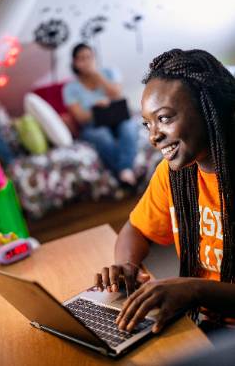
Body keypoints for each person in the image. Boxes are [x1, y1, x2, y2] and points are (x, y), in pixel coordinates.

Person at [94, 49, 235, 336]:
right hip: (204, 324)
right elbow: (136, 229)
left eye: (165, 118)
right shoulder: (174, 175)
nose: (153, 136)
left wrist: (194, 289)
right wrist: (126, 265)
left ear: (210, 108)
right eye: (148, 123)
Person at [62, 43, 138, 186]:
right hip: (93, 124)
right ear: (75, 63)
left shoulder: (110, 72)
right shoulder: (69, 88)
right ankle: (125, 172)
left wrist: (97, 75)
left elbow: (117, 94)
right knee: (103, 136)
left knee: (130, 127)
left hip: (118, 117)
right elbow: (80, 117)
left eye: (89, 57)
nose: (86, 61)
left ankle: (123, 172)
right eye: (81, 59)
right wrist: (95, 108)